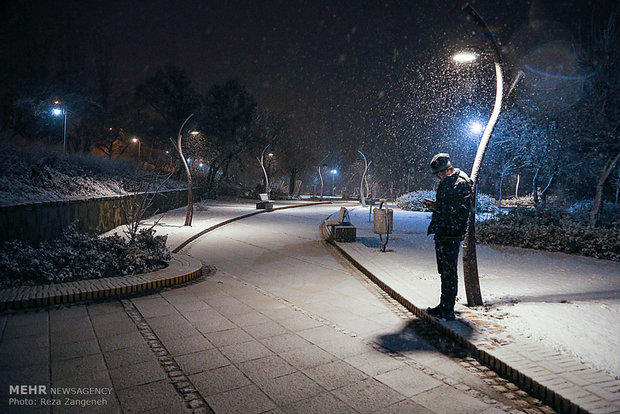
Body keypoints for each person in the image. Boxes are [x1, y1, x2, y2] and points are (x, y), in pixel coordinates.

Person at [422, 153, 473, 320]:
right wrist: (436, 207)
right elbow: (447, 206)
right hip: (443, 231)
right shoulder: (446, 182)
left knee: (449, 272)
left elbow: (460, 211)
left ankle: (448, 309)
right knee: (444, 271)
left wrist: (438, 207)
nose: (437, 177)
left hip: (452, 233)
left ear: (447, 170)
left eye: (439, 173)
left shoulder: (462, 183)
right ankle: (444, 305)